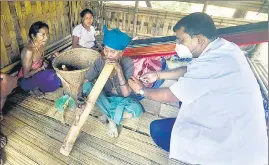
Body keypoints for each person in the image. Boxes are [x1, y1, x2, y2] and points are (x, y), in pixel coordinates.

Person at [128, 12, 268, 165]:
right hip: (237, 124)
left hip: (234, 149)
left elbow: (170, 95)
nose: (178, 46)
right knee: (186, 103)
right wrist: (158, 75)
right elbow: (190, 70)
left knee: (158, 130)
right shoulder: (224, 49)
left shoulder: (215, 62)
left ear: (200, 39)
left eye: (182, 40)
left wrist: (141, 90)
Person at [76, 25, 143, 138]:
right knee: (88, 86)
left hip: (122, 100)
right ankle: (113, 116)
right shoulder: (99, 62)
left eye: (113, 52)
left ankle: (110, 117)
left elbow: (126, 94)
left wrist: (119, 70)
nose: (107, 55)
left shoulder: (127, 63)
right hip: (105, 98)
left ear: (121, 53)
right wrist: (79, 98)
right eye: (106, 50)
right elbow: (85, 81)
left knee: (136, 110)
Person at [18, 21, 62, 98]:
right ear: (33, 36)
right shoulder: (29, 51)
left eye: (47, 34)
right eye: (43, 35)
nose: (46, 37)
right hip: (27, 80)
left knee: (56, 59)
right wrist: (40, 68)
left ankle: (42, 83)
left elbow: (41, 61)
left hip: (39, 72)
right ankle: (34, 89)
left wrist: (53, 56)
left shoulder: (40, 45)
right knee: (55, 77)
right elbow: (25, 75)